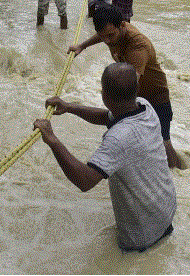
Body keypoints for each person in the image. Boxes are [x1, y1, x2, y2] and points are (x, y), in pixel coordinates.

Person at [33, 62, 176, 252]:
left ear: (104, 96)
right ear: (136, 89)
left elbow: (84, 181)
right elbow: (106, 117)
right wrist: (68, 107)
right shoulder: (145, 106)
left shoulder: (118, 138)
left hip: (142, 235)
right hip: (166, 212)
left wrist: (52, 140)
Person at [68, 3, 182, 169]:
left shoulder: (137, 45)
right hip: (135, 95)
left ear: (122, 26)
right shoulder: (112, 31)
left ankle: (179, 175)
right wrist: (81, 46)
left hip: (156, 96)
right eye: (103, 36)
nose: (107, 41)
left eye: (110, 36)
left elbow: (130, 81)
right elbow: (103, 35)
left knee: (163, 142)